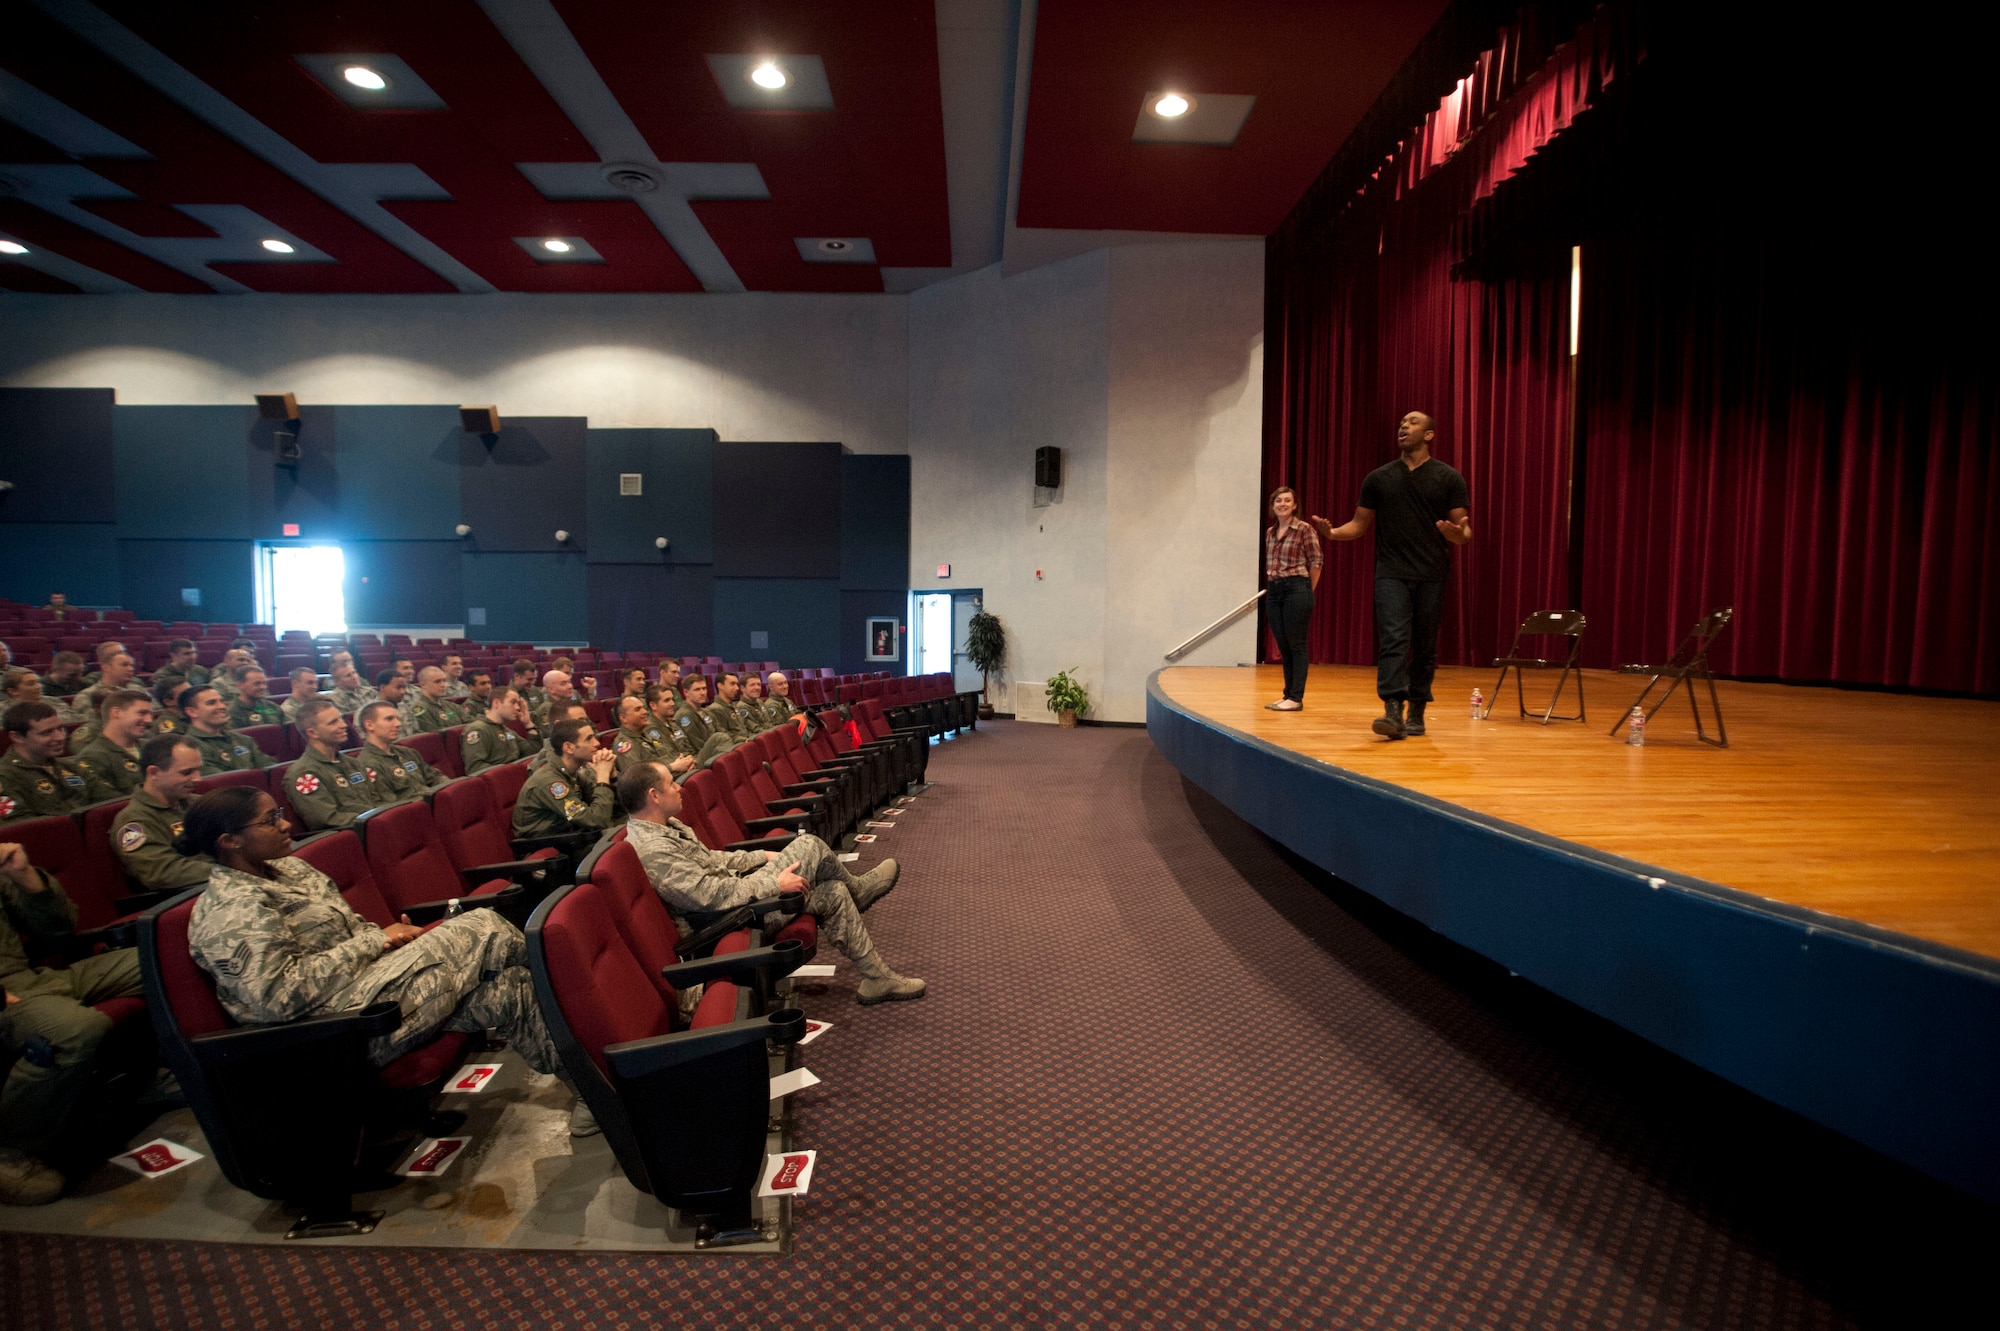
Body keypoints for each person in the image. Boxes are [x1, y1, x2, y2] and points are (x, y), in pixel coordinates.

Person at [179, 788, 593, 1136]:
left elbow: (350, 927)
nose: (286, 825)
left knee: (511, 988)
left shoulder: (289, 870)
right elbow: (277, 998)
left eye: (281, 814)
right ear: (228, 840)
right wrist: (375, 941)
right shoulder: (230, 911)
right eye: (270, 821)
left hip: (371, 990)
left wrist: (386, 942)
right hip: (329, 1035)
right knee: (482, 925)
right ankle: (597, 1000)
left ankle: (592, 1092)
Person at [617, 762, 923, 1005]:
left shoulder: (667, 826)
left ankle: (876, 979)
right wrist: (773, 885)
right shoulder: (653, 849)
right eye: (671, 783)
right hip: (726, 920)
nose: (679, 786)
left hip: (737, 898)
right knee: (811, 845)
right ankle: (860, 891)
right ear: (654, 796)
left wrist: (759, 856)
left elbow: (712, 861)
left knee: (832, 892)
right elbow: (707, 896)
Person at [0, 840, 146, 1205]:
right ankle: (12, 1149)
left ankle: (156, 1071)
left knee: (164, 963)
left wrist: (24, 876)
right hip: (9, 996)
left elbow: (58, 931)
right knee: (73, 1030)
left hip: (33, 979)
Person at [1312, 410, 1471, 739]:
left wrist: (1459, 535)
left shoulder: (1448, 477)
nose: (1403, 425)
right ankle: (1392, 711)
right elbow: (1358, 525)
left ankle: (1417, 711)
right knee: (1394, 640)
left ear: (1429, 435)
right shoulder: (1379, 478)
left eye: (1413, 422)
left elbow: (1463, 528)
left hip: (1432, 573)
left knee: (1425, 645)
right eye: (1401, 422)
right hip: (1391, 573)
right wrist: (1333, 533)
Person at [112, 736, 214, 893]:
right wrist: (233, 871)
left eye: (198, 770)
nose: (198, 779)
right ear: (154, 772)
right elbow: (162, 873)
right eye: (187, 772)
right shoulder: (134, 821)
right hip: (189, 897)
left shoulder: (198, 803)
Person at [1261, 486, 1323, 713]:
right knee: (1284, 645)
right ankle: (1287, 694)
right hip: (1275, 590)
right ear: (1273, 505)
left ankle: (1296, 697)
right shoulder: (1270, 532)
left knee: (1296, 645)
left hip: (1297, 588)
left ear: (1295, 505)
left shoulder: (1304, 529)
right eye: (1278, 501)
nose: (1282, 504)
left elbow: (1316, 562)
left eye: (1287, 500)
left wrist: (1308, 590)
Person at [284, 700, 384, 833]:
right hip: (352, 836)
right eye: (333, 722)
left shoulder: (353, 763)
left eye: (341, 719)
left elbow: (376, 799)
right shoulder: (304, 774)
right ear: (313, 733)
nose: (343, 725)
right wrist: (377, 821)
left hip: (375, 827)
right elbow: (327, 820)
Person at [513, 718, 619, 840]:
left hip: (572, 835)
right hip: (549, 845)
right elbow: (597, 820)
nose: (597, 743)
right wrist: (602, 779)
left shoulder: (573, 774)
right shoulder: (550, 782)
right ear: (568, 748)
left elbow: (610, 810)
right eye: (589, 739)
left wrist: (612, 778)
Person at [0, 704, 89, 823]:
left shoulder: (68, 766)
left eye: (60, 729)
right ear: (17, 737)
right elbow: (20, 827)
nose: (60, 737)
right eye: (46, 733)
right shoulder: (6, 776)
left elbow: (108, 798)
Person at [70, 690, 154, 804]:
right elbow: (111, 804)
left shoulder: (151, 747)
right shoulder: (93, 757)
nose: (149, 720)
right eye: (142, 713)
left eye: (150, 714)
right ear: (116, 713)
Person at [357, 702, 449, 800]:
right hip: (416, 811)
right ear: (369, 725)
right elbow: (391, 807)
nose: (398, 724)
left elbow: (436, 778)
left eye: (397, 719)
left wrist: (451, 791)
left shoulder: (408, 753)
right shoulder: (367, 764)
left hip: (434, 803)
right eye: (389, 719)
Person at [178, 685, 273, 774]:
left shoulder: (244, 740)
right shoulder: (188, 748)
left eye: (221, 701)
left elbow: (270, 770)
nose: (222, 706)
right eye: (211, 703)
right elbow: (221, 782)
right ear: (192, 712)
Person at [460, 687, 534, 775]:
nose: (518, 708)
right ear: (496, 703)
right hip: (499, 781)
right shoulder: (477, 730)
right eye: (513, 702)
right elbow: (476, 767)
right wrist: (512, 771)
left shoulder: (506, 730)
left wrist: (528, 724)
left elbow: (532, 752)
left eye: (518, 703)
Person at [399, 666, 461, 734]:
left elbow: (470, 724)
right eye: (437, 681)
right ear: (423, 685)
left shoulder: (451, 705)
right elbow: (434, 736)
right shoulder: (419, 709)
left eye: (444, 680)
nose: (443, 685)